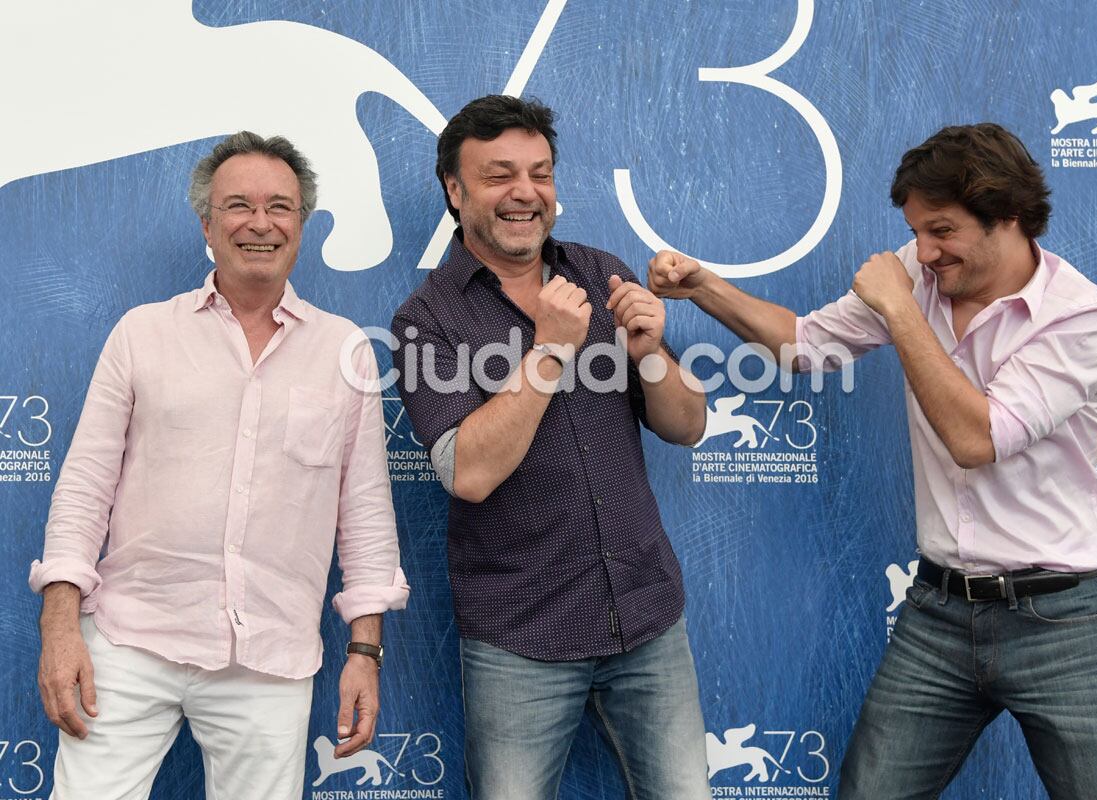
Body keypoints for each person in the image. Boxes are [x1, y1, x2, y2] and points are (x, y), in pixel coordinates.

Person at [649, 123, 1097, 799]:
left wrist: (898, 307)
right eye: (915, 232)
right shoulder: (918, 275)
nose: (922, 251)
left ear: (1006, 216)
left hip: (1061, 621)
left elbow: (977, 439)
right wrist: (703, 287)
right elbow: (805, 345)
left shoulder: (1081, 316)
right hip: (938, 613)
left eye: (940, 231)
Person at [30, 131, 411, 799]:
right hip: (128, 642)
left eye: (280, 207)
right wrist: (60, 629)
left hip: (270, 658)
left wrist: (365, 651)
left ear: (303, 224)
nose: (260, 223)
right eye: (239, 205)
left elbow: (366, 514)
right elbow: (85, 487)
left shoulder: (345, 351)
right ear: (206, 222)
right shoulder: (142, 333)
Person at [392, 95, 710, 800]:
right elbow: (468, 473)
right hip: (521, 639)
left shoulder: (600, 274)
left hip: (647, 616)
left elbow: (688, 426)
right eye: (500, 174)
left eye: (540, 173)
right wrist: (549, 352)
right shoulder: (426, 319)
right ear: (455, 188)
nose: (525, 193)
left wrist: (652, 354)